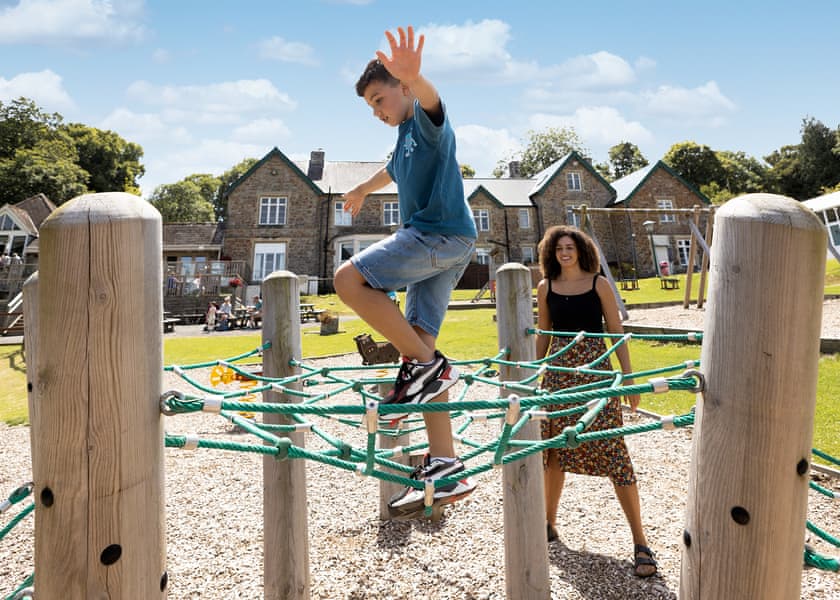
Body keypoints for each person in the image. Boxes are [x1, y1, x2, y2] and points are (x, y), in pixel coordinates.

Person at [333, 25, 477, 519]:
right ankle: (446, 465)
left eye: (380, 99)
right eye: (370, 106)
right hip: (445, 247)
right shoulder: (401, 142)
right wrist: (362, 190)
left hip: (436, 235)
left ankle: (425, 366)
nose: (377, 111)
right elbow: (390, 170)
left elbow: (436, 106)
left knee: (348, 280)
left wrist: (418, 78)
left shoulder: (427, 125)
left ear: (404, 89)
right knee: (420, 343)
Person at [535, 225, 657, 578]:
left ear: (581, 250)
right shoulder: (546, 287)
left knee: (614, 452)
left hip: (596, 374)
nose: (564, 253)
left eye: (570, 247)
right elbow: (543, 337)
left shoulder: (598, 283)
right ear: (551, 253)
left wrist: (629, 378)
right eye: (559, 248)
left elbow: (616, 333)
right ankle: (548, 523)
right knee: (554, 451)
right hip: (557, 377)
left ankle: (640, 541)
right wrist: (528, 376)